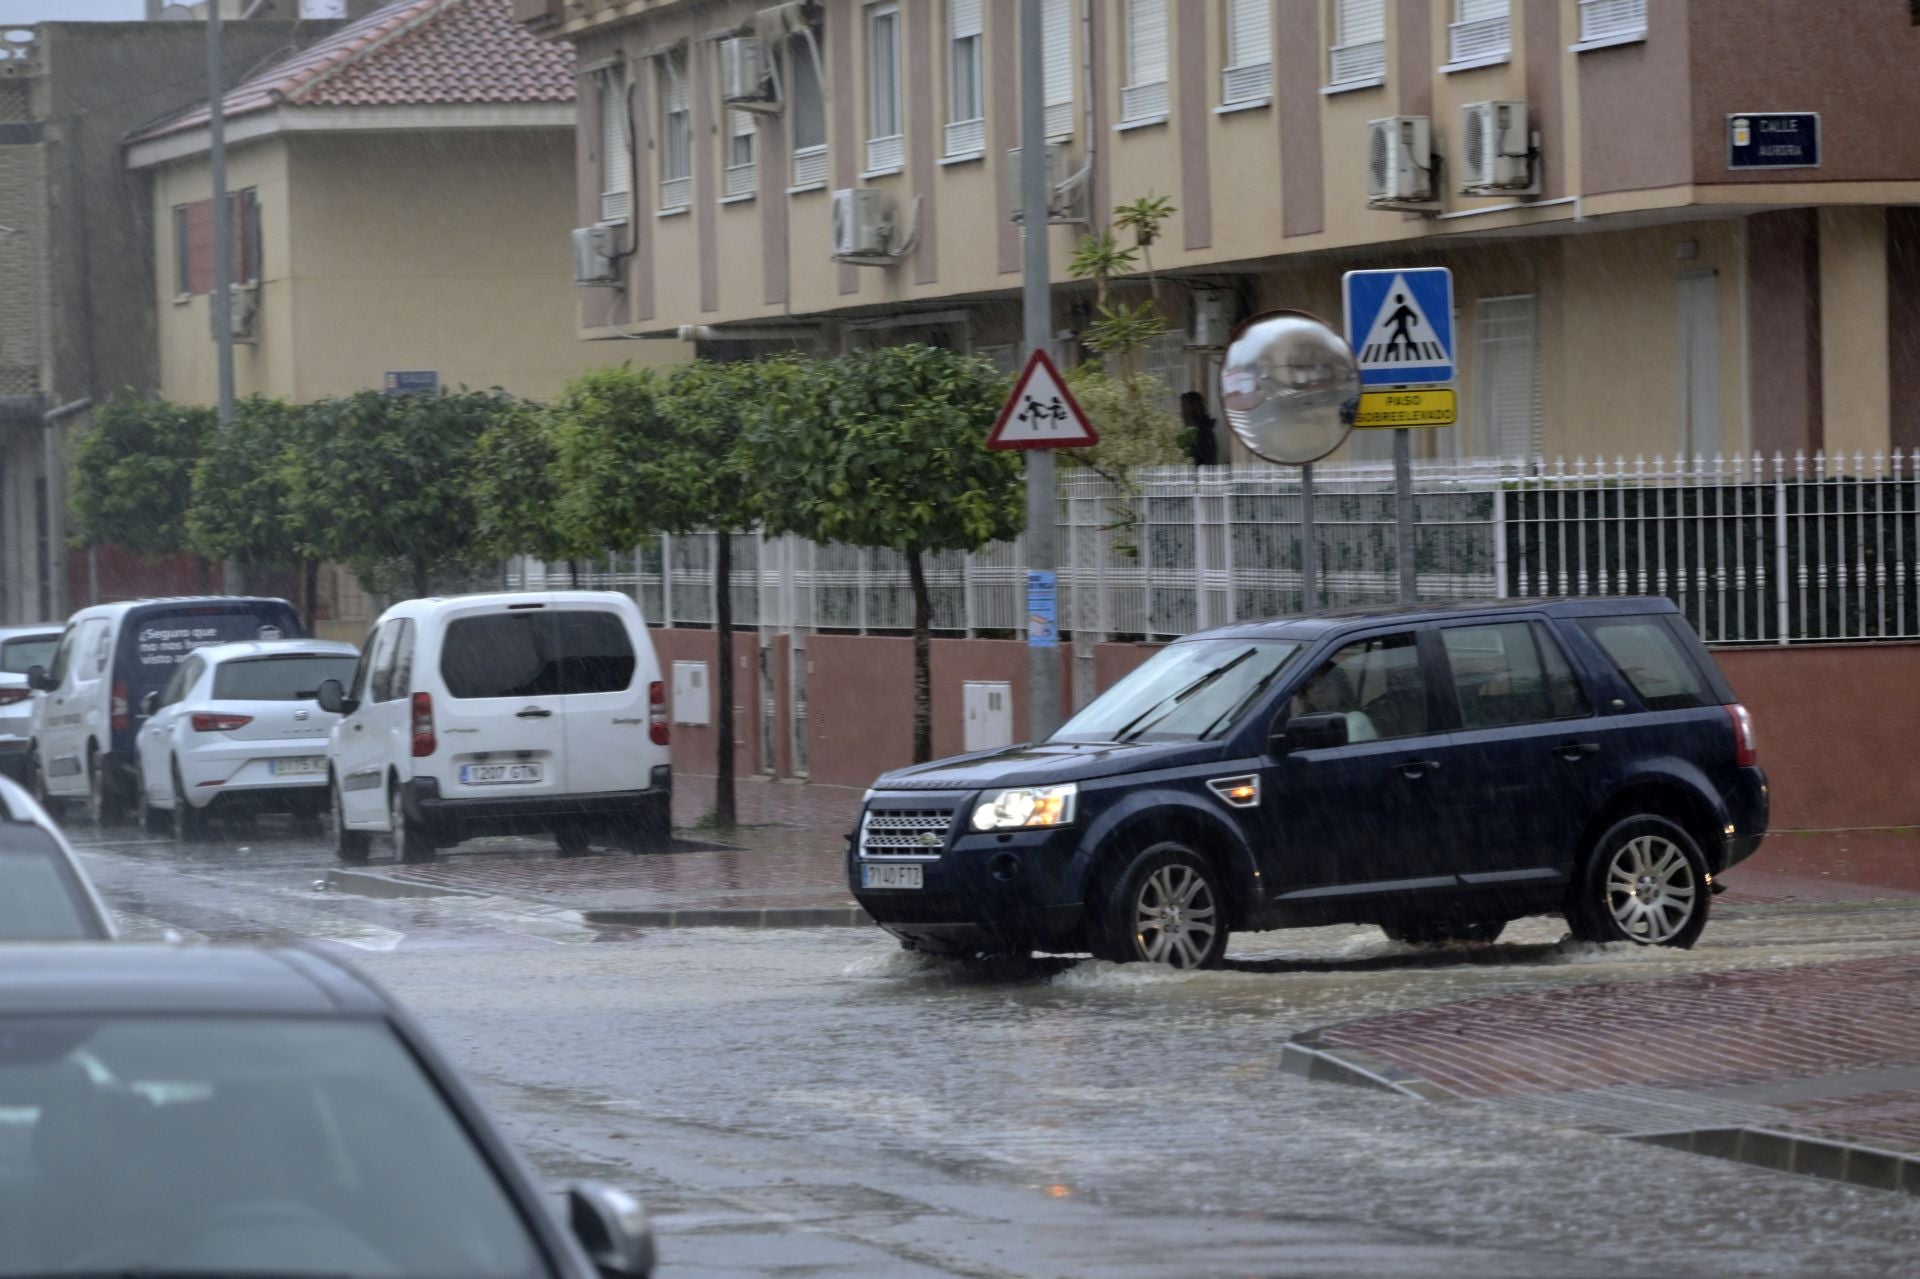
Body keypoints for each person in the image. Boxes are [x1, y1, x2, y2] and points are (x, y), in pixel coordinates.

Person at [1180, 392, 1219, 467]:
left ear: (1190, 410)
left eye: (1182, 408)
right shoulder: (1191, 433)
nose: (1180, 413)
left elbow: (1208, 464)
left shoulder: (1202, 434)